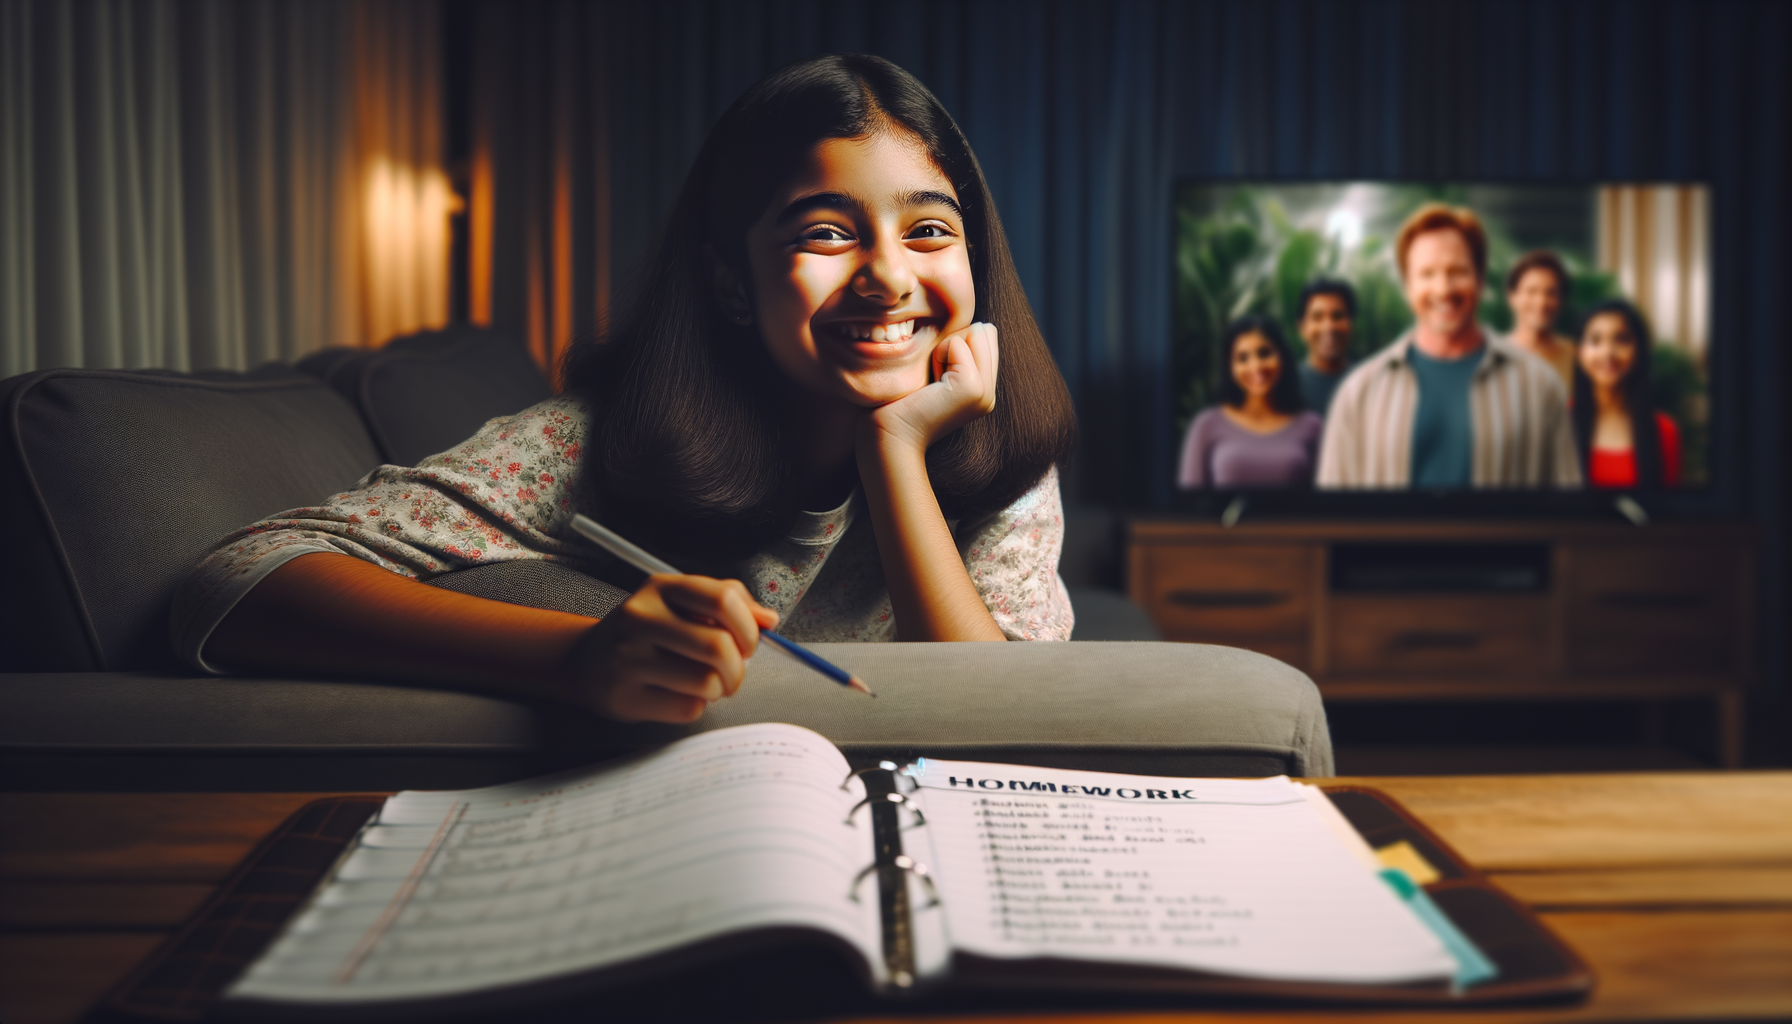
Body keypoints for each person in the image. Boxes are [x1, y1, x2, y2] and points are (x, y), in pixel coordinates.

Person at [170, 55, 1078, 726]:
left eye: (928, 230)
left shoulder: (993, 452)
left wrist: (894, 454)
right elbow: (238, 580)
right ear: (730, 281)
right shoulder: (594, 442)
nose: (888, 278)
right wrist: (577, 657)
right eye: (826, 233)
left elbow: (999, 717)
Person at [1316, 203, 1581, 489]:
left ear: (1480, 280)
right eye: (1427, 274)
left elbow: (1567, 508)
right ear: (1407, 286)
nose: (1443, 289)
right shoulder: (1358, 392)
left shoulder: (1540, 386)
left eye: (1457, 271)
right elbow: (1333, 515)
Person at [1177, 317, 1323, 489]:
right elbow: (1189, 505)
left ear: (1282, 356)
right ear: (1230, 368)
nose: (1256, 366)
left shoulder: (1312, 426)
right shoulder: (1206, 425)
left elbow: (1328, 503)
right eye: (1242, 358)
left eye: (1264, 353)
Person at [1573, 300, 1681, 488]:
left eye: (1622, 339)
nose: (1608, 353)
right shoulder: (1558, 423)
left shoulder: (1665, 431)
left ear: (1639, 351)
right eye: (1595, 341)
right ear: (1579, 352)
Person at [1505, 250, 1576, 392]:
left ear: (1561, 300)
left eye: (1551, 293)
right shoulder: (1492, 358)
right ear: (1512, 297)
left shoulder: (1579, 357)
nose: (1541, 302)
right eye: (1531, 291)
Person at [1294, 279, 1356, 416]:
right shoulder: (1287, 386)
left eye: (1337, 316)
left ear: (1351, 324)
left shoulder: (1368, 384)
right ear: (1301, 327)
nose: (1329, 326)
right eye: (1317, 317)